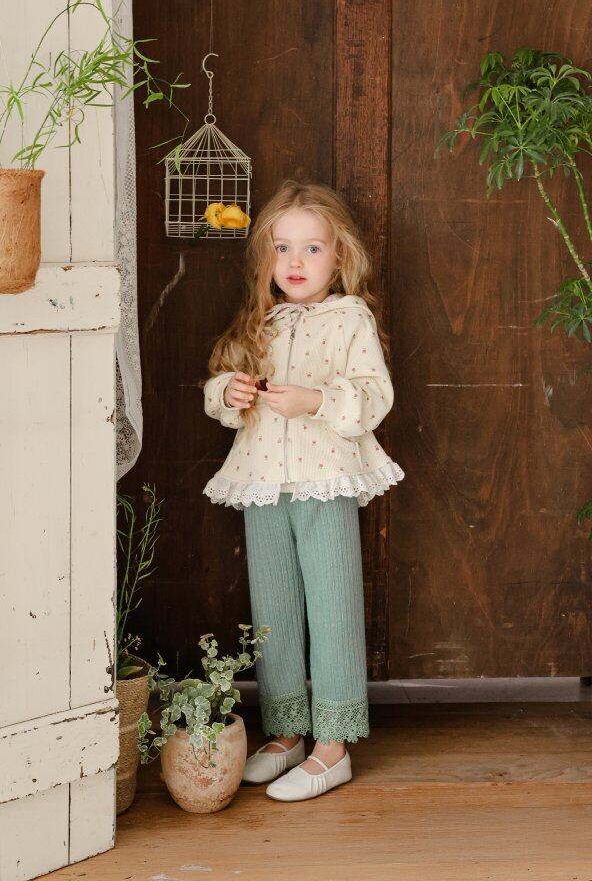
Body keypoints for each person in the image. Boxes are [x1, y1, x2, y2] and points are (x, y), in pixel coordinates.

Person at [202, 180, 404, 802]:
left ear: (339, 257)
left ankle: (333, 746)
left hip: (324, 479)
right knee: (274, 610)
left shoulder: (350, 319)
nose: (294, 262)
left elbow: (374, 394)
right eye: (282, 248)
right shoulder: (260, 321)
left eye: (312, 248)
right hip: (263, 483)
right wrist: (229, 392)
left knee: (333, 605)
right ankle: (286, 732)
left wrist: (315, 400)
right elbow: (219, 388)